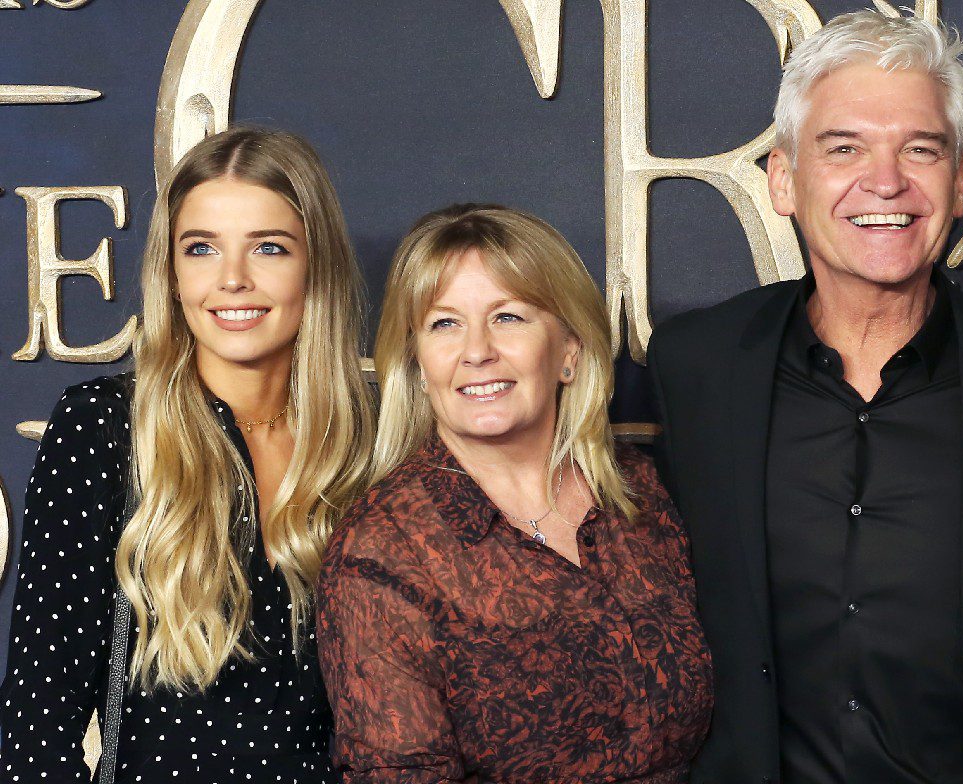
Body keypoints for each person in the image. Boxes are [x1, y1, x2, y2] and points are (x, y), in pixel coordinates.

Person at [647, 10, 963, 783]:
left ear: (959, 181)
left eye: (920, 149)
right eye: (844, 148)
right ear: (782, 179)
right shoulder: (696, 366)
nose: (887, 180)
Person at [0, 127, 374, 782]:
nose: (232, 279)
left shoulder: (368, 442)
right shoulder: (106, 427)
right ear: (172, 276)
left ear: (316, 267)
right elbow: (38, 721)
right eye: (201, 248)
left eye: (269, 247)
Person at [318, 204, 711, 783]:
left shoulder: (641, 492)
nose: (477, 350)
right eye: (444, 324)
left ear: (569, 351)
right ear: (417, 363)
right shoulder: (382, 549)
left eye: (507, 317)